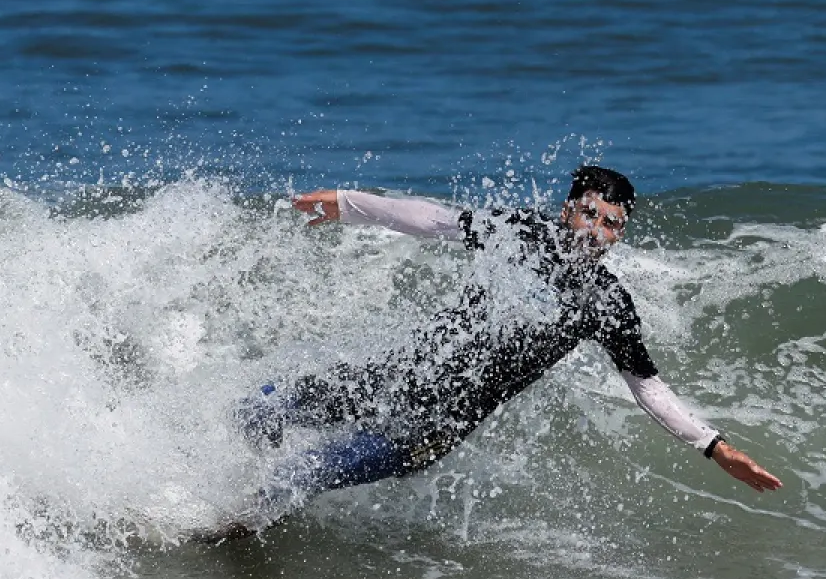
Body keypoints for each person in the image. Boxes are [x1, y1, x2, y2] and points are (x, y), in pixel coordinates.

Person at [233, 166, 780, 528]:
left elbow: (648, 387)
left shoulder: (605, 303)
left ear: (620, 234)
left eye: (612, 225)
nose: (596, 230)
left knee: (301, 474)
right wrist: (347, 204)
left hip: (425, 430)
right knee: (259, 409)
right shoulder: (518, 234)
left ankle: (227, 527)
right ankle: (218, 480)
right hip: (392, 377)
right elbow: (435, 219)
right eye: (590, 214)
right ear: (568, 210)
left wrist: (715, 447)